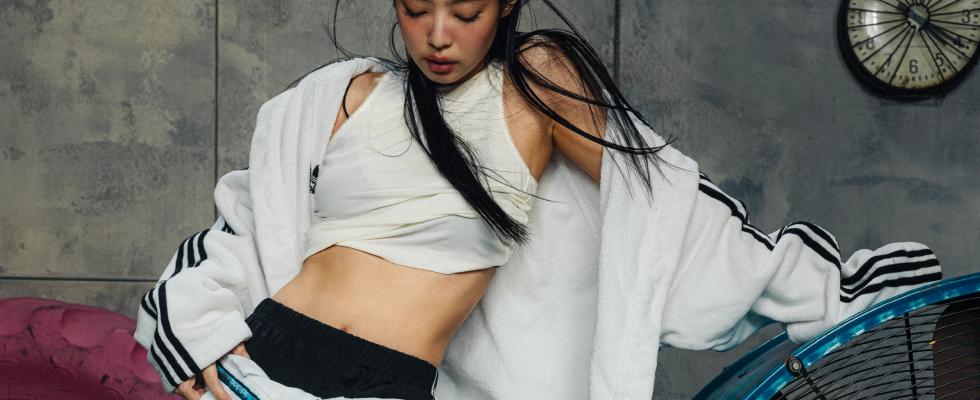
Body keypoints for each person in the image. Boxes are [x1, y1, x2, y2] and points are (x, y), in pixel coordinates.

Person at [134, 1, 943, 399]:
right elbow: (242, 230)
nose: (438, 34)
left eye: (466, 10)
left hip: (384, 381)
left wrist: (826, 287)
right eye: (416, 8)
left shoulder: (537, 79)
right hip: (260, 362)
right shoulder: (344, 94)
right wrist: (197, 338)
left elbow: (659, 204)